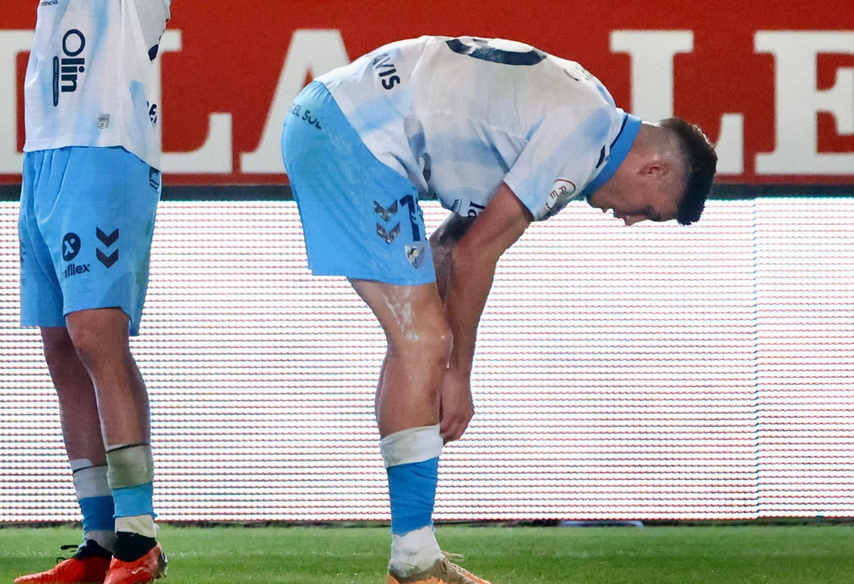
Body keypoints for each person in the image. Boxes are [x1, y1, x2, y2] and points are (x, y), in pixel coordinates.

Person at [280, 35, 717, 584]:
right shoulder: (582, 139)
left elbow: (448, 247)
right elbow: (473, 253)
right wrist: (457, 373)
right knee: (423, 342)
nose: (631, 222)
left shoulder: (592, 110)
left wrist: (443, 358)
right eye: (650, 213)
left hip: (339, 119)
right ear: (654, 170)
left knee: (423, 339)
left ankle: (416, 556)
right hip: (351, 139)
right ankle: (414, 564)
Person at [12, 0, 198, 584]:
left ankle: (139, 535)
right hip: (49, 151)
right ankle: (93, 541)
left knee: (97, 335)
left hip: (107, 144)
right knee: (59, 346)